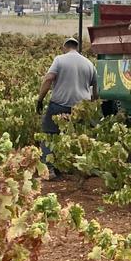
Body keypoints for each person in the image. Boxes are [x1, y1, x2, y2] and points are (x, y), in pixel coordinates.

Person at [36, 37, 98, 179]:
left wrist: (40, 99)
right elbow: (96, 90)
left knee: (49, 135)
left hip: (59, 105)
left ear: (65, 47)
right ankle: (79, 168)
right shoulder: (89, 63)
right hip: (82, 108)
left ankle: (49, 170)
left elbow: (48, 78)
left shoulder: (59, 59)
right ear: (77, 47)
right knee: (79, 138)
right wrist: (92, 105)